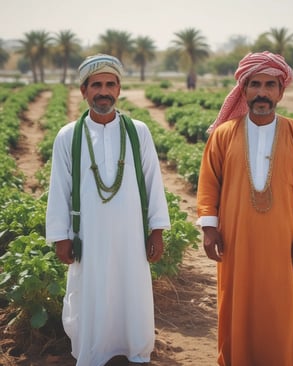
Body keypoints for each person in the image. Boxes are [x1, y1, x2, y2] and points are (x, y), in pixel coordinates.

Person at [197, 51, 293, 366]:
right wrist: (210, 229)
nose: (262, 92)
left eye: (270, 85)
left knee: (283, 306)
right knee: (238, 301)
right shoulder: (224, 135)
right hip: (237, 241)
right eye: (255, 84)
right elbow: (209, 183)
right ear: (243, 90)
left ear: (280, 91)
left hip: (286, 243)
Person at [46, 54, 170, 366]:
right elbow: (59, 188)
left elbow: (153, 180)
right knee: (91, 290)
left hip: (131, 234)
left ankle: (135, 350)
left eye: (110, 84)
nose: (104, 91)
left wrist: (156, 230)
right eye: (96, 85)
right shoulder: (68, 136)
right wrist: (61, 236)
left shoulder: (138, 131)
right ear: (84, 90)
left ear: (119, 89)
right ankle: (94, 352)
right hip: (89, 233)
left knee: (132, 290)